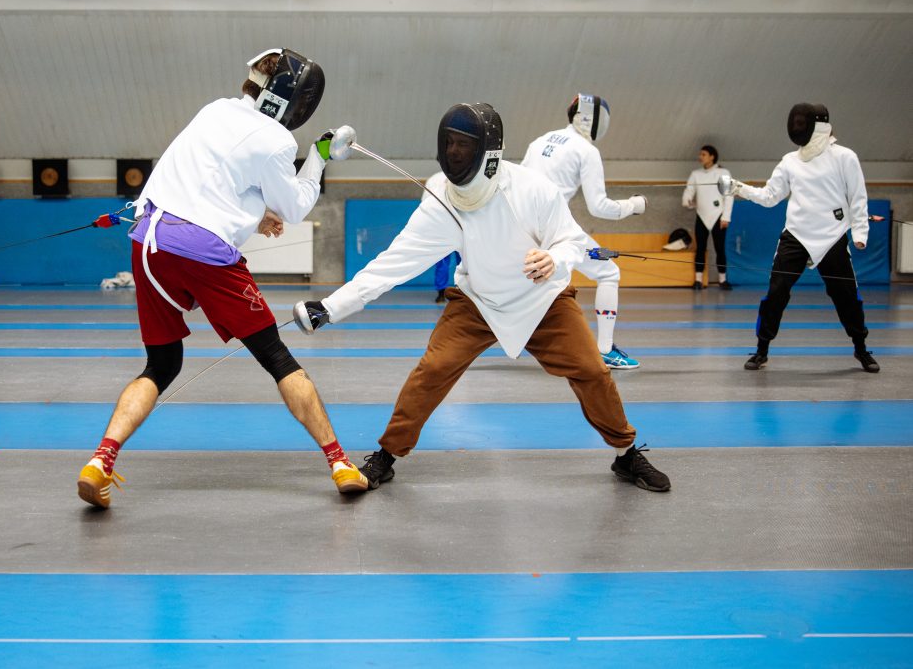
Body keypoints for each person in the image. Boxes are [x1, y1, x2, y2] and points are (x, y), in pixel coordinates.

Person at [294, 103, 671, 493]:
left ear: (490, 153)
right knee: (433, 370)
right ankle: (386, 456)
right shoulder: (441, 200)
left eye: (464, 144)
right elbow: (392, 264)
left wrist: (554, 258)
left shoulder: (533, 189)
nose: (455, 152)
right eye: (450, 143)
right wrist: (331, 307)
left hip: (543, 301)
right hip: (478, 302)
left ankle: (626, 454)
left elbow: (573, 241)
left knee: (592, 370)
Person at [77, 48, 369, 508]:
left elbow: (211, 179)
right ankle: (340, 463)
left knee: (161, 365)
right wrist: (319, 155)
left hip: (148, 242)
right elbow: (295, 206)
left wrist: (253, 214)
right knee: (276, 357)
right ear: (289, 101)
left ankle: (100, 461)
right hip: (203, 254)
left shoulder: (214, 110)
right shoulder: (277, 140)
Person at [728, 102, 878, 373]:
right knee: (776, 292)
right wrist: (739, 188)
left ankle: (861, 348)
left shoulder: (844, 157)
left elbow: (858, 197)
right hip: (796, 235)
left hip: (832, 235)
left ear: (818, 126)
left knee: (846, 295)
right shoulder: (790, 161)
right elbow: (770, 197)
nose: (797, 128)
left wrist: (860, 232)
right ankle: (761, 350)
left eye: (802, 123)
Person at [521, 94, 646, 369]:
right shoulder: (586, 150)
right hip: (556, 231)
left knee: (529, 283)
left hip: (520, 227)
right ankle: (604, 350)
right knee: (608, 271)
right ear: (591, 118)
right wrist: (634, 205)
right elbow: (599, 207)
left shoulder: (540, 140)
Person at [682, 145, 734, 290]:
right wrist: (687, 201)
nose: (700, 157)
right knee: (700, 248)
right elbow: (689, 190)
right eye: (700, 154)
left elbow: (729, 196)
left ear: (712, 156)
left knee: (720, 248)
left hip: (719, 216)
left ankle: (722, 280)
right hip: (701, 216)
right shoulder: (695, 174)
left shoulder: (723, 173)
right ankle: (698, 280)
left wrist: (726, 217)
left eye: (703, 154)